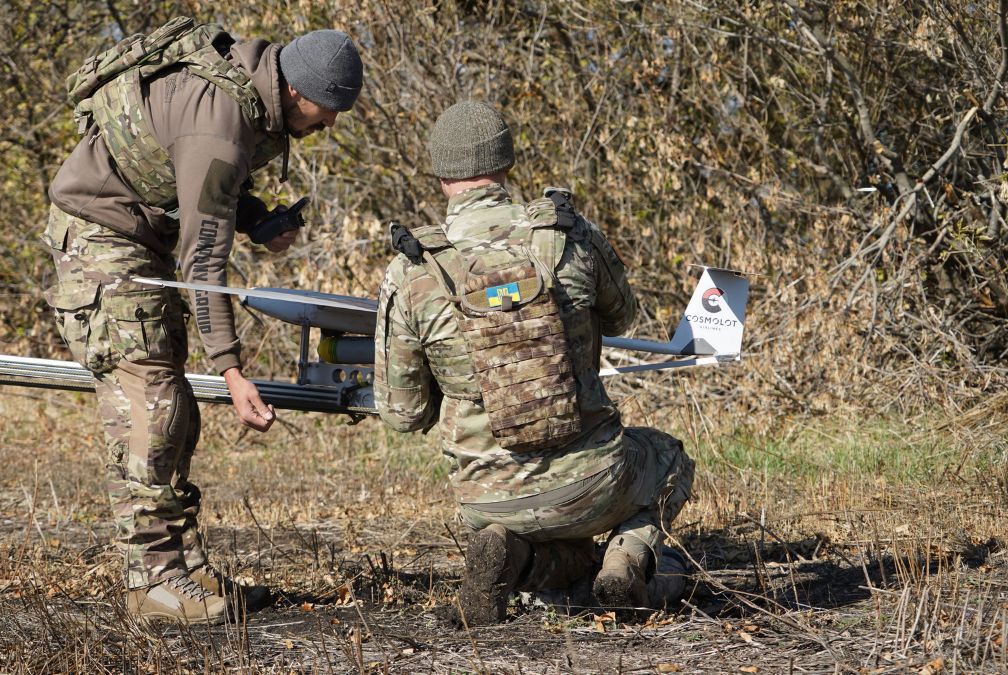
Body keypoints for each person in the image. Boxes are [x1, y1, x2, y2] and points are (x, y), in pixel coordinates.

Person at [40, 21, 363, 623]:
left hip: (140, 239)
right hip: (101, 244)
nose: (330, 124)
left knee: (176, 409)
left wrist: (256, 218)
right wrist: (233, 371)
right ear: (298, 91)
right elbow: (203, 263)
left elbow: (198, 183)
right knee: (153, 405)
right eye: (328, 109)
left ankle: (186, 571)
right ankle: (151, 582)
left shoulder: (250, 94)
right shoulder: (222, 124)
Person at [374, 101, 694, 626]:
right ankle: (627, 559)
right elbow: (622, 316)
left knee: (554, 556)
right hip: (594, 482)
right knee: (669, 456)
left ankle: (513, 554)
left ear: (439, 174)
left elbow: (403, 414)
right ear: (507, 162)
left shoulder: (412, 270)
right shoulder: (568, 234)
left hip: (485, 498)